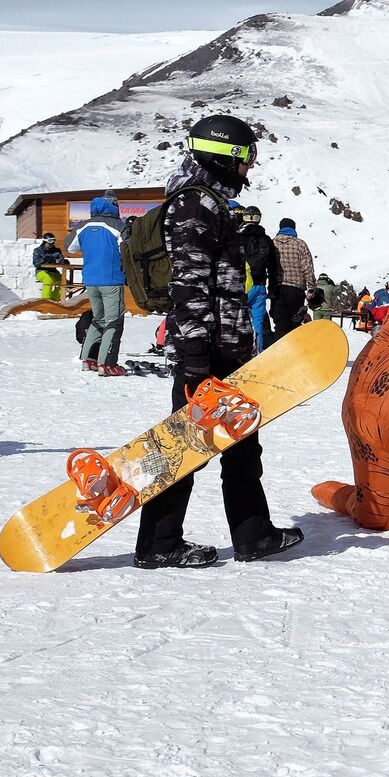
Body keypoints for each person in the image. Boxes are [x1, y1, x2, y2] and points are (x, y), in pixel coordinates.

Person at [134, 114, 302, 568]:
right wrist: (193, 357)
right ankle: (158, 543)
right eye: (246, 158)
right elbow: (189, 285)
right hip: (206, 351)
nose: (250, 168)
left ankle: (255, 535)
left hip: (223, 346)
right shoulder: (195, 206)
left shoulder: (210, 204)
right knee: (184, 448)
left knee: (242, 443)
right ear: (225, 155)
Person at [66, 195, 127, 376]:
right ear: (113, 207)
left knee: (98, 318)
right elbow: (128, 248)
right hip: (112, 280)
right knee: (114, 320)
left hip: (91, 280)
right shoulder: (117, 226)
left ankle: (88, 359)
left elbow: (70, 247)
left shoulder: (83, 226)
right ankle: (107, 364)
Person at [235, 206, 279, 355]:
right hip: (260, 286)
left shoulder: (238, 237)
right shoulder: (266, 239)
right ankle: (258, 351)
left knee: (237, 320)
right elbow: (274, 267)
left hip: (242, 285)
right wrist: (272, 289)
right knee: (258, 322)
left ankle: (240, 352)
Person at [268, 218, 316, 345]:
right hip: (296, 291)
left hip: (277, 290)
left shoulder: (272, 244)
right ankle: (294, 351)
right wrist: (312, 288)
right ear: (293, 228)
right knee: (295, 323)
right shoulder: (300, 244)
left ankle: (278, 353)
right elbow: (308, 269)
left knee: (280, 324)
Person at [31, 232, 65, 301]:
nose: (51, 245)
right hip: (41, 272)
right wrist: (44, 259)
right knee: (48, 279)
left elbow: (61, 260)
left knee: (64, 282)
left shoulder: (56, 251)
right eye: (49, 243)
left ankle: (54, 299)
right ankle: (45, 300)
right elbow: (36, 263)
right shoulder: (38, 251)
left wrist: (61, 261)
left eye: (53, 242)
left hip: (53, 272)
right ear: (44, 242)